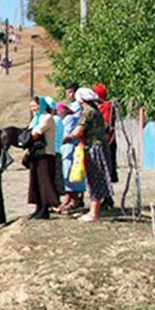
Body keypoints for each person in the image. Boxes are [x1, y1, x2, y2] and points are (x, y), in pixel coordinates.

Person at [64, 88, 114, 223]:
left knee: (94, 178)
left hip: (93, 148)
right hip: (101, 147)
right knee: (97, 178)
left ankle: (94, 213)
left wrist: (67, 138)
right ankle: (93, 210)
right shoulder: (96, 111)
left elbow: (77, 132)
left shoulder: (87, 112)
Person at [27, 96, 60, 220]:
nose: (33, 109)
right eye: (31, 106)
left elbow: (36, 133)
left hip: (46, 154)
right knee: (35, 182)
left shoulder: (47, 118)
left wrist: (24, 137)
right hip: (35, 154)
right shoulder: (36, 119)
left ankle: (45, 209)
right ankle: (38, 207)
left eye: (35, 106)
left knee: (44, 182)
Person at [56, 102, 85, 213]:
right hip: (64, 149)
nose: (59, 112)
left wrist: (57, 141)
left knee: (70, 174)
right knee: (66, 175)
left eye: (60, 110)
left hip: (69, 148)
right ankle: (68, 199)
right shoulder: (62, 120)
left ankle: (74, 199)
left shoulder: (70, 119)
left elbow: (68, 135)